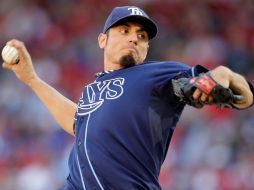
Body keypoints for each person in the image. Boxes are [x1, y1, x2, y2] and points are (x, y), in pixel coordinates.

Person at [2, 5, 253, 190]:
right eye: (124, 30)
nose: (134, 37)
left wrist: (224, 76)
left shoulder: (157, 74)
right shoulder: (94, 88)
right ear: (102, 40)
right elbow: (77, 122)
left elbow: (239, 92)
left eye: (142, 36)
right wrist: (32, 79)